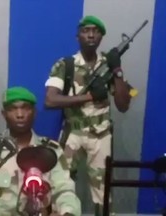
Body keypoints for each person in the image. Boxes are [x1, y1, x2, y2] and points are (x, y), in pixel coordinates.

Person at [44, 15, 131, 215]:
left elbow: (123, 105)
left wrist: (117, 70)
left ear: (101, 37)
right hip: (72, 133)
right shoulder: (66, 65)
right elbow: (50, 100)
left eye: (96, 31)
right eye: (85, 30)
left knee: (103, 193)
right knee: (60, 186)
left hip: (101, 135)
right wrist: (89, 96)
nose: (91, 35)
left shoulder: (108, 66)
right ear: (78, 36)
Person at [0, 87, 81, 216]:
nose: (20, 114)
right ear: (4, 114)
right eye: (12, 109)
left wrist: (69, 212)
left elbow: (64, 190)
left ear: (34, 112)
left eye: (26, 108)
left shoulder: (51, 150)